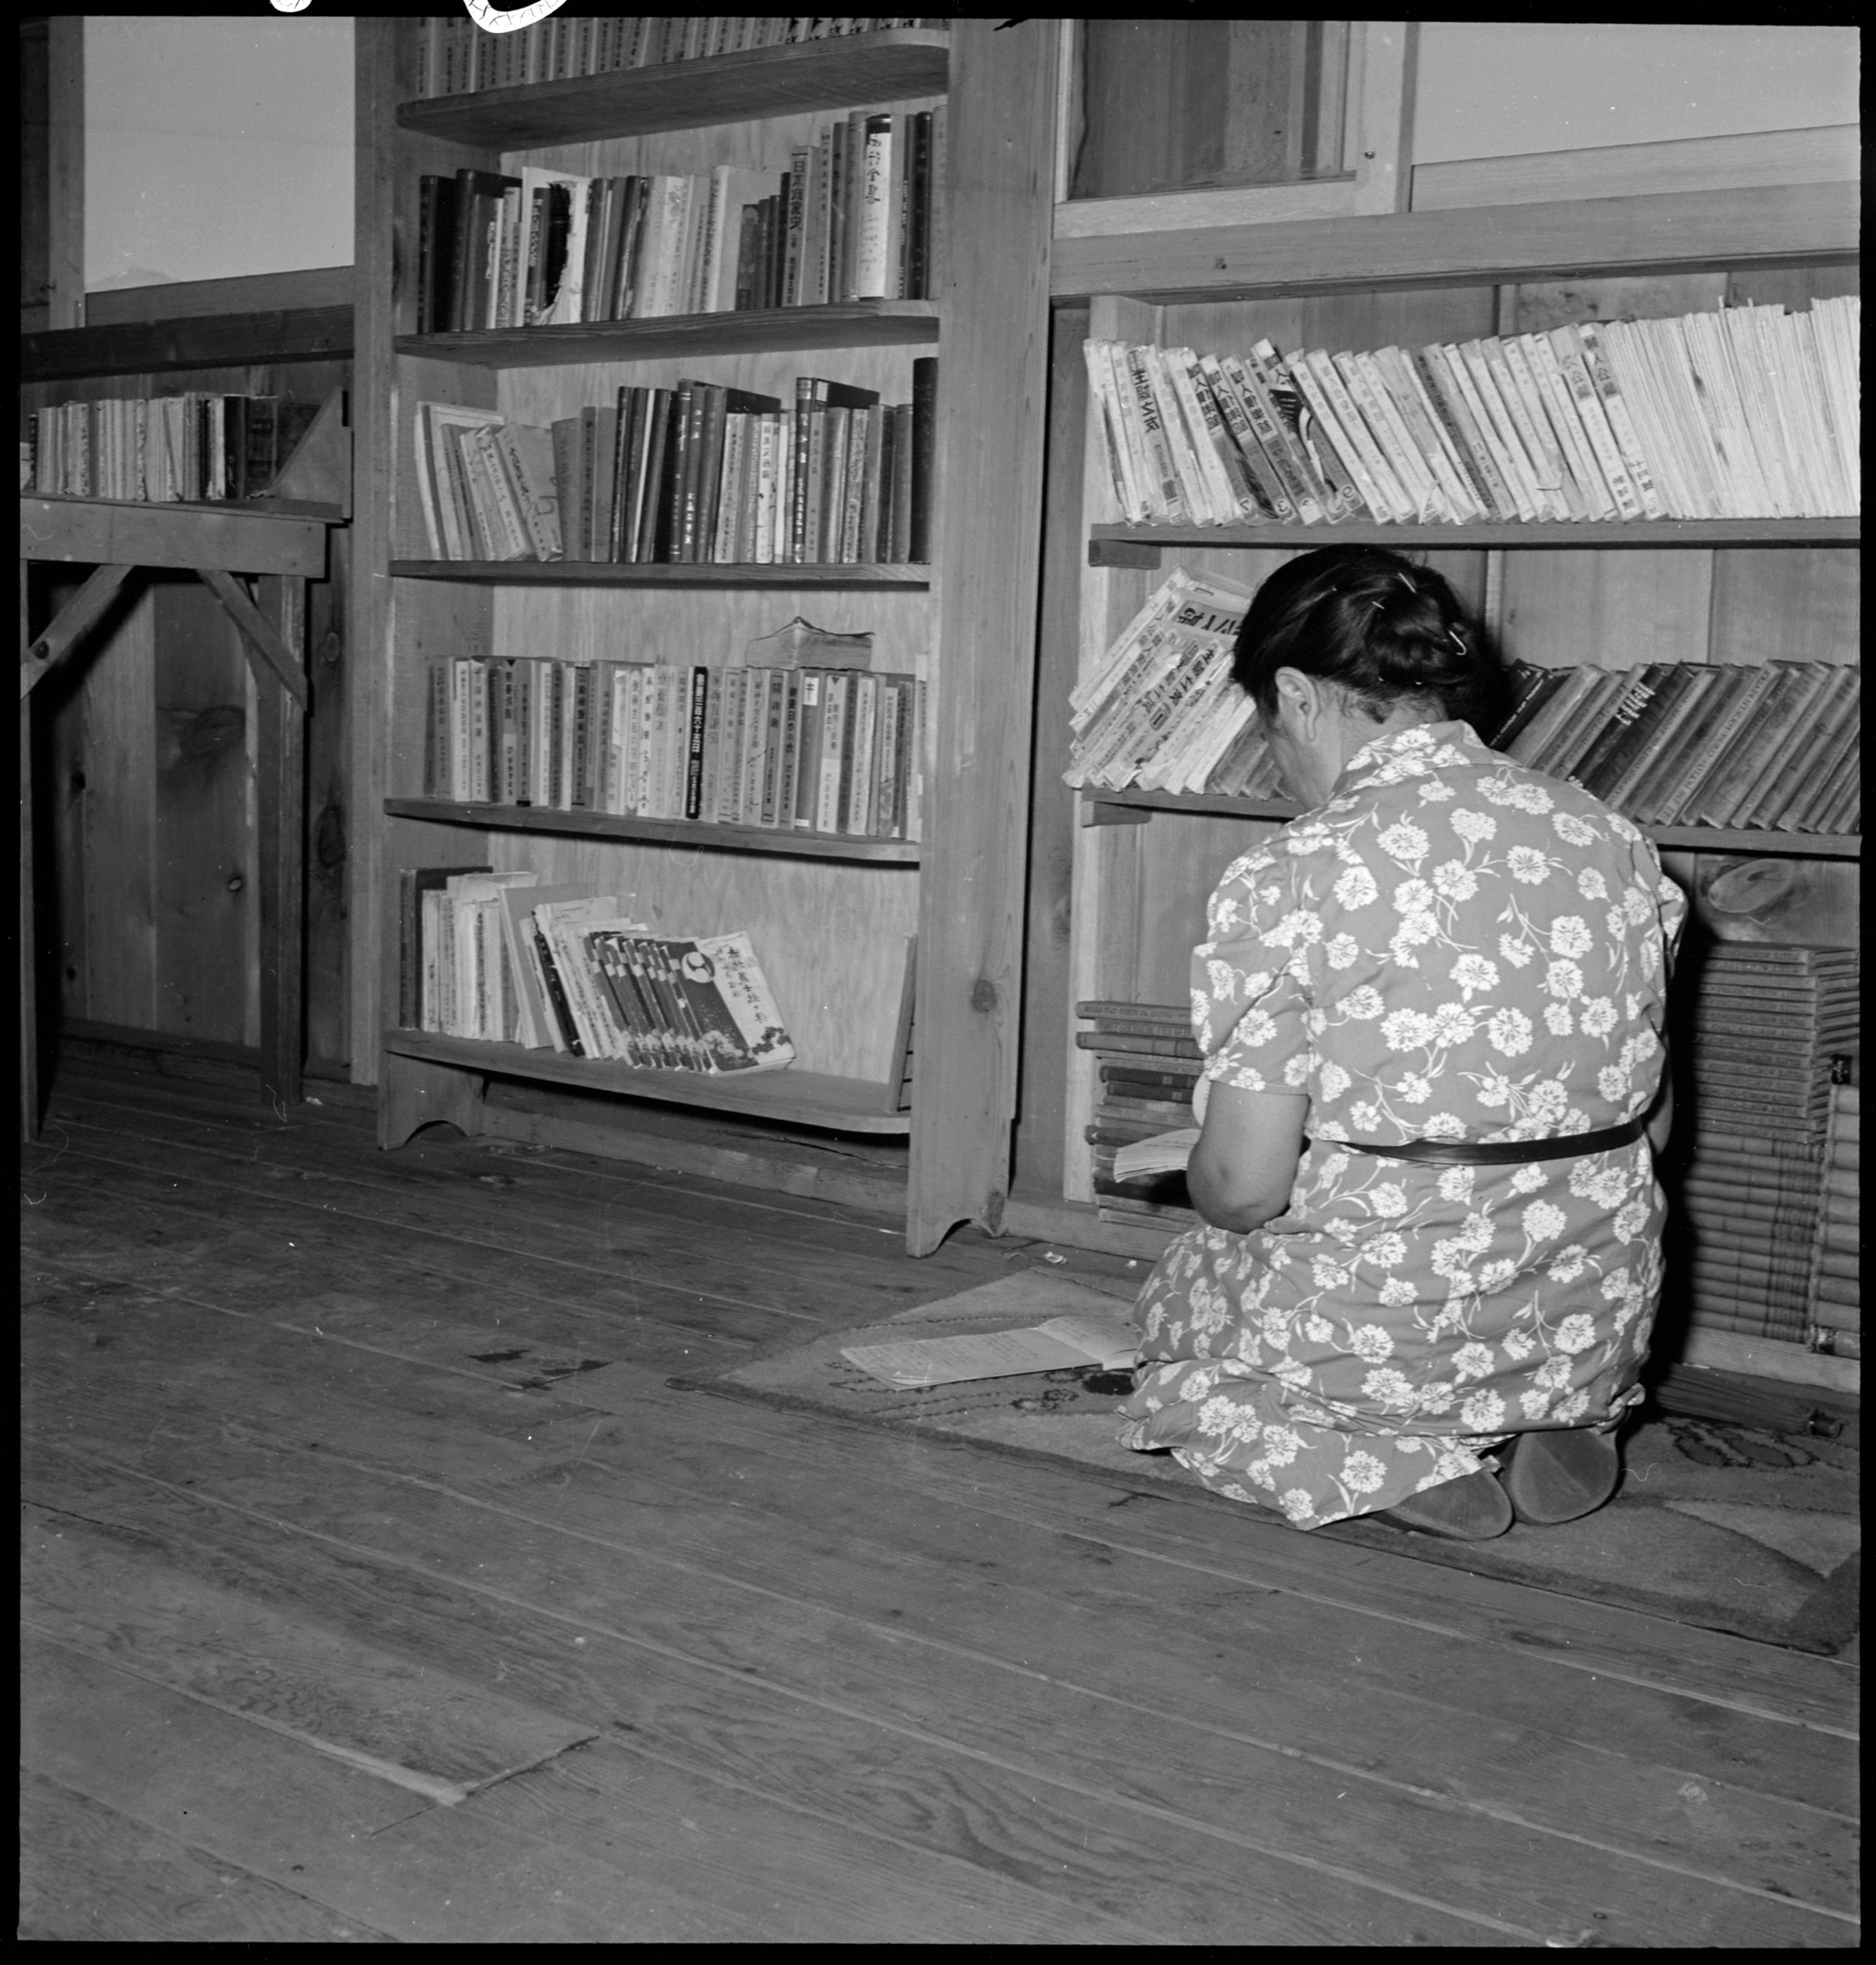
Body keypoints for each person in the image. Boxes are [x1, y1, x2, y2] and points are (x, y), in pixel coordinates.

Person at [1114, 545, 1687, 1540]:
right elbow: (1656, 1121)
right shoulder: (1609, 835)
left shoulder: (1296, 870)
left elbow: (1248, 1187)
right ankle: (1562, 1407)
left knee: (1180, 1324)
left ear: (1295, 694)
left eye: (1267, 727)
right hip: (1594, 1300)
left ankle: (1379, 1451)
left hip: (1393, 1312)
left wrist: (1204, 1178)